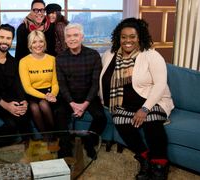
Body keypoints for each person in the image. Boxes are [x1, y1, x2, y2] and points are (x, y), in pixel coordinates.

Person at [99, 17, 174, 180]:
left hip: (153, 101)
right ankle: (145, 158)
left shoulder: (151, 55)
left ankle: (160, 163)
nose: (128, 40)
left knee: (151, 120)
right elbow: (104, 78)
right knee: (119, 119)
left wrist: (145, 108)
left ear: (139, 37)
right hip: (125, 105)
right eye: (123, 37)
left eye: (132, 36)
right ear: (119, 38)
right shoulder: (110, 54)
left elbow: (160, 84)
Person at [55, 23, 107, 159]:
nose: (72, 39)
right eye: (69, 36)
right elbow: (62, 85)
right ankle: (65, 146)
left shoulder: (93, 55)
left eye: (75, 35)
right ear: (65, 39)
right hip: (69, 97)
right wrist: (72, 103)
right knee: (59, 113)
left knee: (101, 117)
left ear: (82, 37)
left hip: (88, 95)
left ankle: (89, 141)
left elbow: (95, 84)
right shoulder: (60, 58)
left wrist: (84, 105)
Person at [19, 30, 59, 135]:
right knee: (34, 107)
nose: (38, 45)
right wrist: (45, 97)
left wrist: (52, 95)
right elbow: (27, 87)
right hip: (32, 94)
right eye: (34, 42)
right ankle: (46, 137)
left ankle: (53, 135)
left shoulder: (52, 59)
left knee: (44, 105)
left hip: (49, 93)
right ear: (30, 44)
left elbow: (55, 83)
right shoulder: (24, 62)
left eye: (40, 41)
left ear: (44, 43)